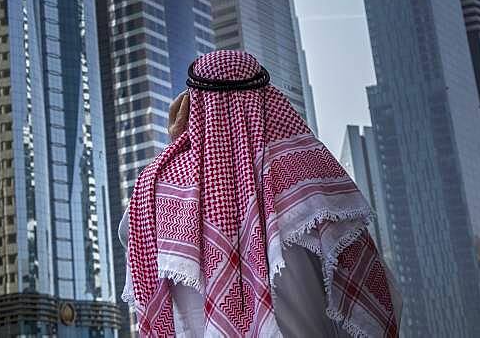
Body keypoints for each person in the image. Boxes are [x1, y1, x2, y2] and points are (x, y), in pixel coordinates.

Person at [120, 50, 400, 337]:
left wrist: (179, 145)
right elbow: (375, 288)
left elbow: (130, 237)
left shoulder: (156, 188)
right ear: (267, 97)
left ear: (193, 104)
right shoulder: (309, 170)